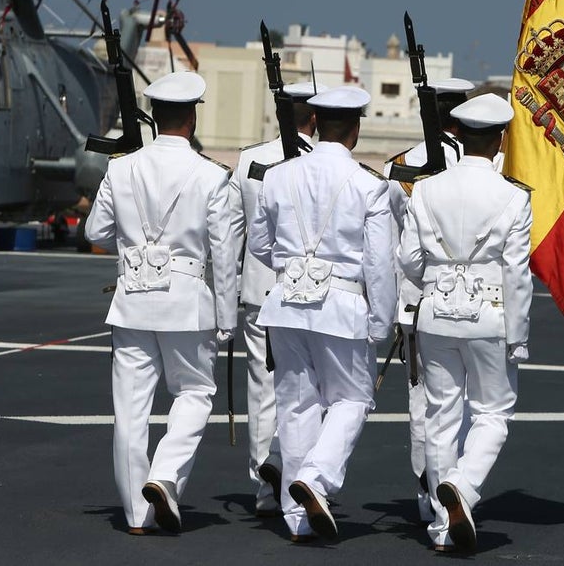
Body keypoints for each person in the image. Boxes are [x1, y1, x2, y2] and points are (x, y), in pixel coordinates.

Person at [84, 70, 238, 535]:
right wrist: (227, 318)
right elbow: (225, 253)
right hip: (186, 302)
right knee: (194, 392)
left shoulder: (120, 167)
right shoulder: (212, 176)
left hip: (132, 300)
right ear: (191, 118)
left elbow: (94, 232)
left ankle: (137, 513)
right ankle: (165, 474)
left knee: (130, 408)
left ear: (154, 118)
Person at [248, 85, 396, 542]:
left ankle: (297, 518)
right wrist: (381, 324)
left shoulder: (276, 176)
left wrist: (293, 266)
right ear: (354, 129)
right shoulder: (370, 185)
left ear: (315, 121)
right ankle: (316, 479)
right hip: (341, 306)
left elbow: (258, 243)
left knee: (296, 405)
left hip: (287, 304)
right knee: (352, 399)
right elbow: (378, 263)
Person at [397, 93, 533, 553]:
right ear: (499, 139)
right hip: (488, 314)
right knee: (493, 413)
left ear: (458, 134)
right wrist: (519, 335)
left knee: (440, 415)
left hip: (435, 311)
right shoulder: (513, 196)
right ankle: (464, 485)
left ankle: (441, 524)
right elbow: (517, 272)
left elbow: (409, 261)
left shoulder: (428, 188)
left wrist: (437, 279)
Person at [381, 77, 483, 522]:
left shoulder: (399, 166)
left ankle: (428, 495)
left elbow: (391, 251)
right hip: (473, 299)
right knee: (469, 403)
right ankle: (452, 489)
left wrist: (393, 309)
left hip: (416, 300)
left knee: (424, 403)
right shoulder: (481, 164)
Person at [227, 81, 326, 517]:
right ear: (316, 118)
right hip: (310, 293)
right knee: (309, 391)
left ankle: (265, 485)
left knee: (262, 390)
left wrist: (227, 292)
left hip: (257, 290)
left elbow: (232, 232)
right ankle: (297, 477)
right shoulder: (321, 165)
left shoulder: (250, 160)